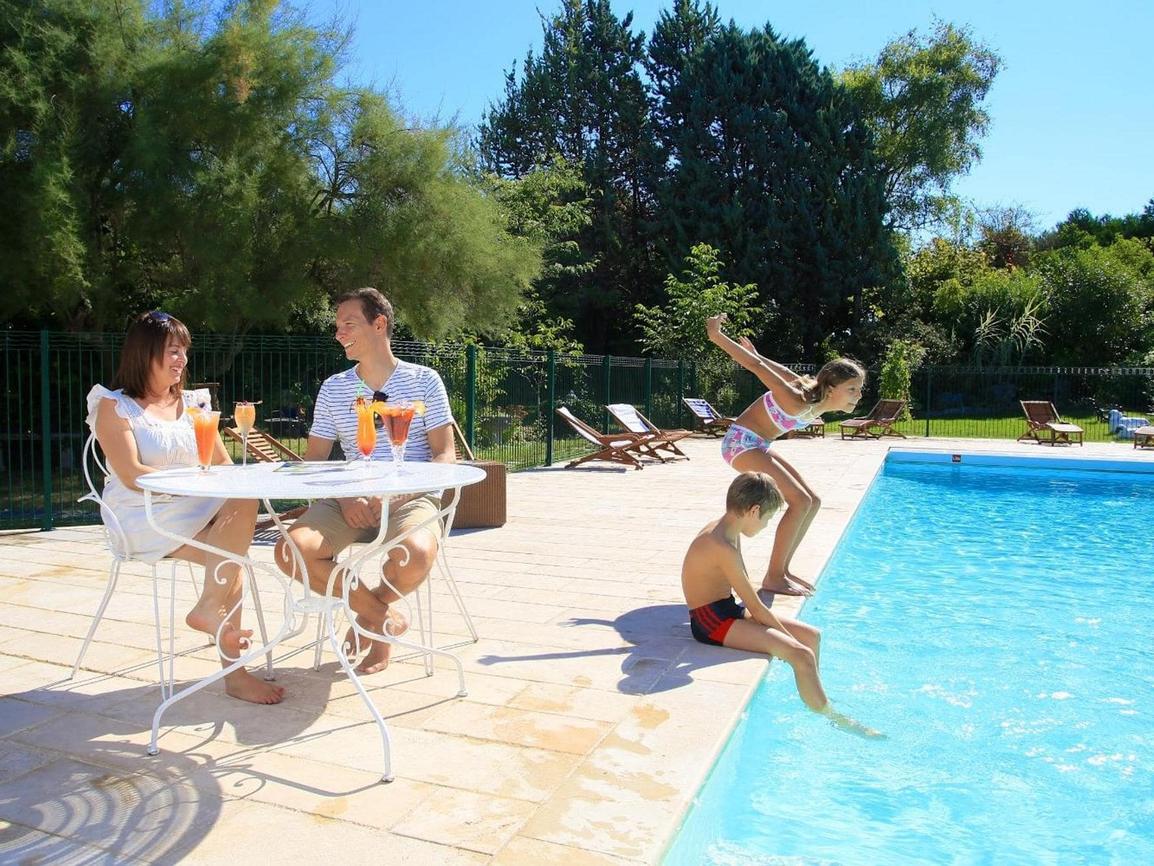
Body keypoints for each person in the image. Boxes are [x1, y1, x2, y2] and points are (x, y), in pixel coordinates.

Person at [86, 311, 284, 705]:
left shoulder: (194, 405)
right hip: (142, 515)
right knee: (232, 562)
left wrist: (221, 482)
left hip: (195, 510)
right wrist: (196, 485)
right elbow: (131, 474)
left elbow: (224, 469)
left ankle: (210, 611)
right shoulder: (115, 405)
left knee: (240, 508)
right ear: (146, 353)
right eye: (174, 351)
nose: (183, 361)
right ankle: (235, 673)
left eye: (184, 353)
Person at [275, 288, 455, 674]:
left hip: (411, 497)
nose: (339, 333)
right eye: (337, 326)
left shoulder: (425, 381)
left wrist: (402, 491)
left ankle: (368, 619)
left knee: (417, 553)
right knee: (290, 551)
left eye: (348, 324)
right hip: (350, 498)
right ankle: (381, 620)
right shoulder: (334, 387)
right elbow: (316, 459)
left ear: (379, 324)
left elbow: (445, 455)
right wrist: (344, 498)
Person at [683, 472, 881, 738]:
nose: (766, 525)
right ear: (753, 511)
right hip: (710, 623)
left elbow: (746, 598)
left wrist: (788, 640)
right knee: (801, 654)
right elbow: (756, 608)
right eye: (767, 518)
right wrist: (788, 643)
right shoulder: (721, 545)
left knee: (812, 637)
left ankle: (815, 694)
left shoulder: (729, 529)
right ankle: (832, 718)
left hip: (726, 608)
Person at [706, 313, 865, 598]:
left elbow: (772, 366)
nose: (858, 395)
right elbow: (755, 367)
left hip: (758, 444)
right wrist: (717, 336)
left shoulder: (809, 390)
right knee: (799, 501)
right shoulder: (795, 398)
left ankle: (783, 570)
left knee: (812, 501)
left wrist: (760, 354)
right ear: (831, 389)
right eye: (852, 389)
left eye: (860, 389)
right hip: (740, 444)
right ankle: (774, 577)